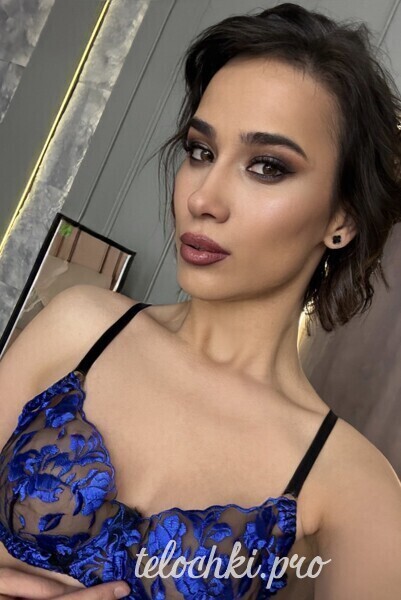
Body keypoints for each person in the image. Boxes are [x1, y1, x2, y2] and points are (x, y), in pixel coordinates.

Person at [0, 2, 400, 599]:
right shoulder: (79, 327)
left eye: (267, 166)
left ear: (342, 218)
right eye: (201, 152)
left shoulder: (354, 487)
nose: (203, 199)